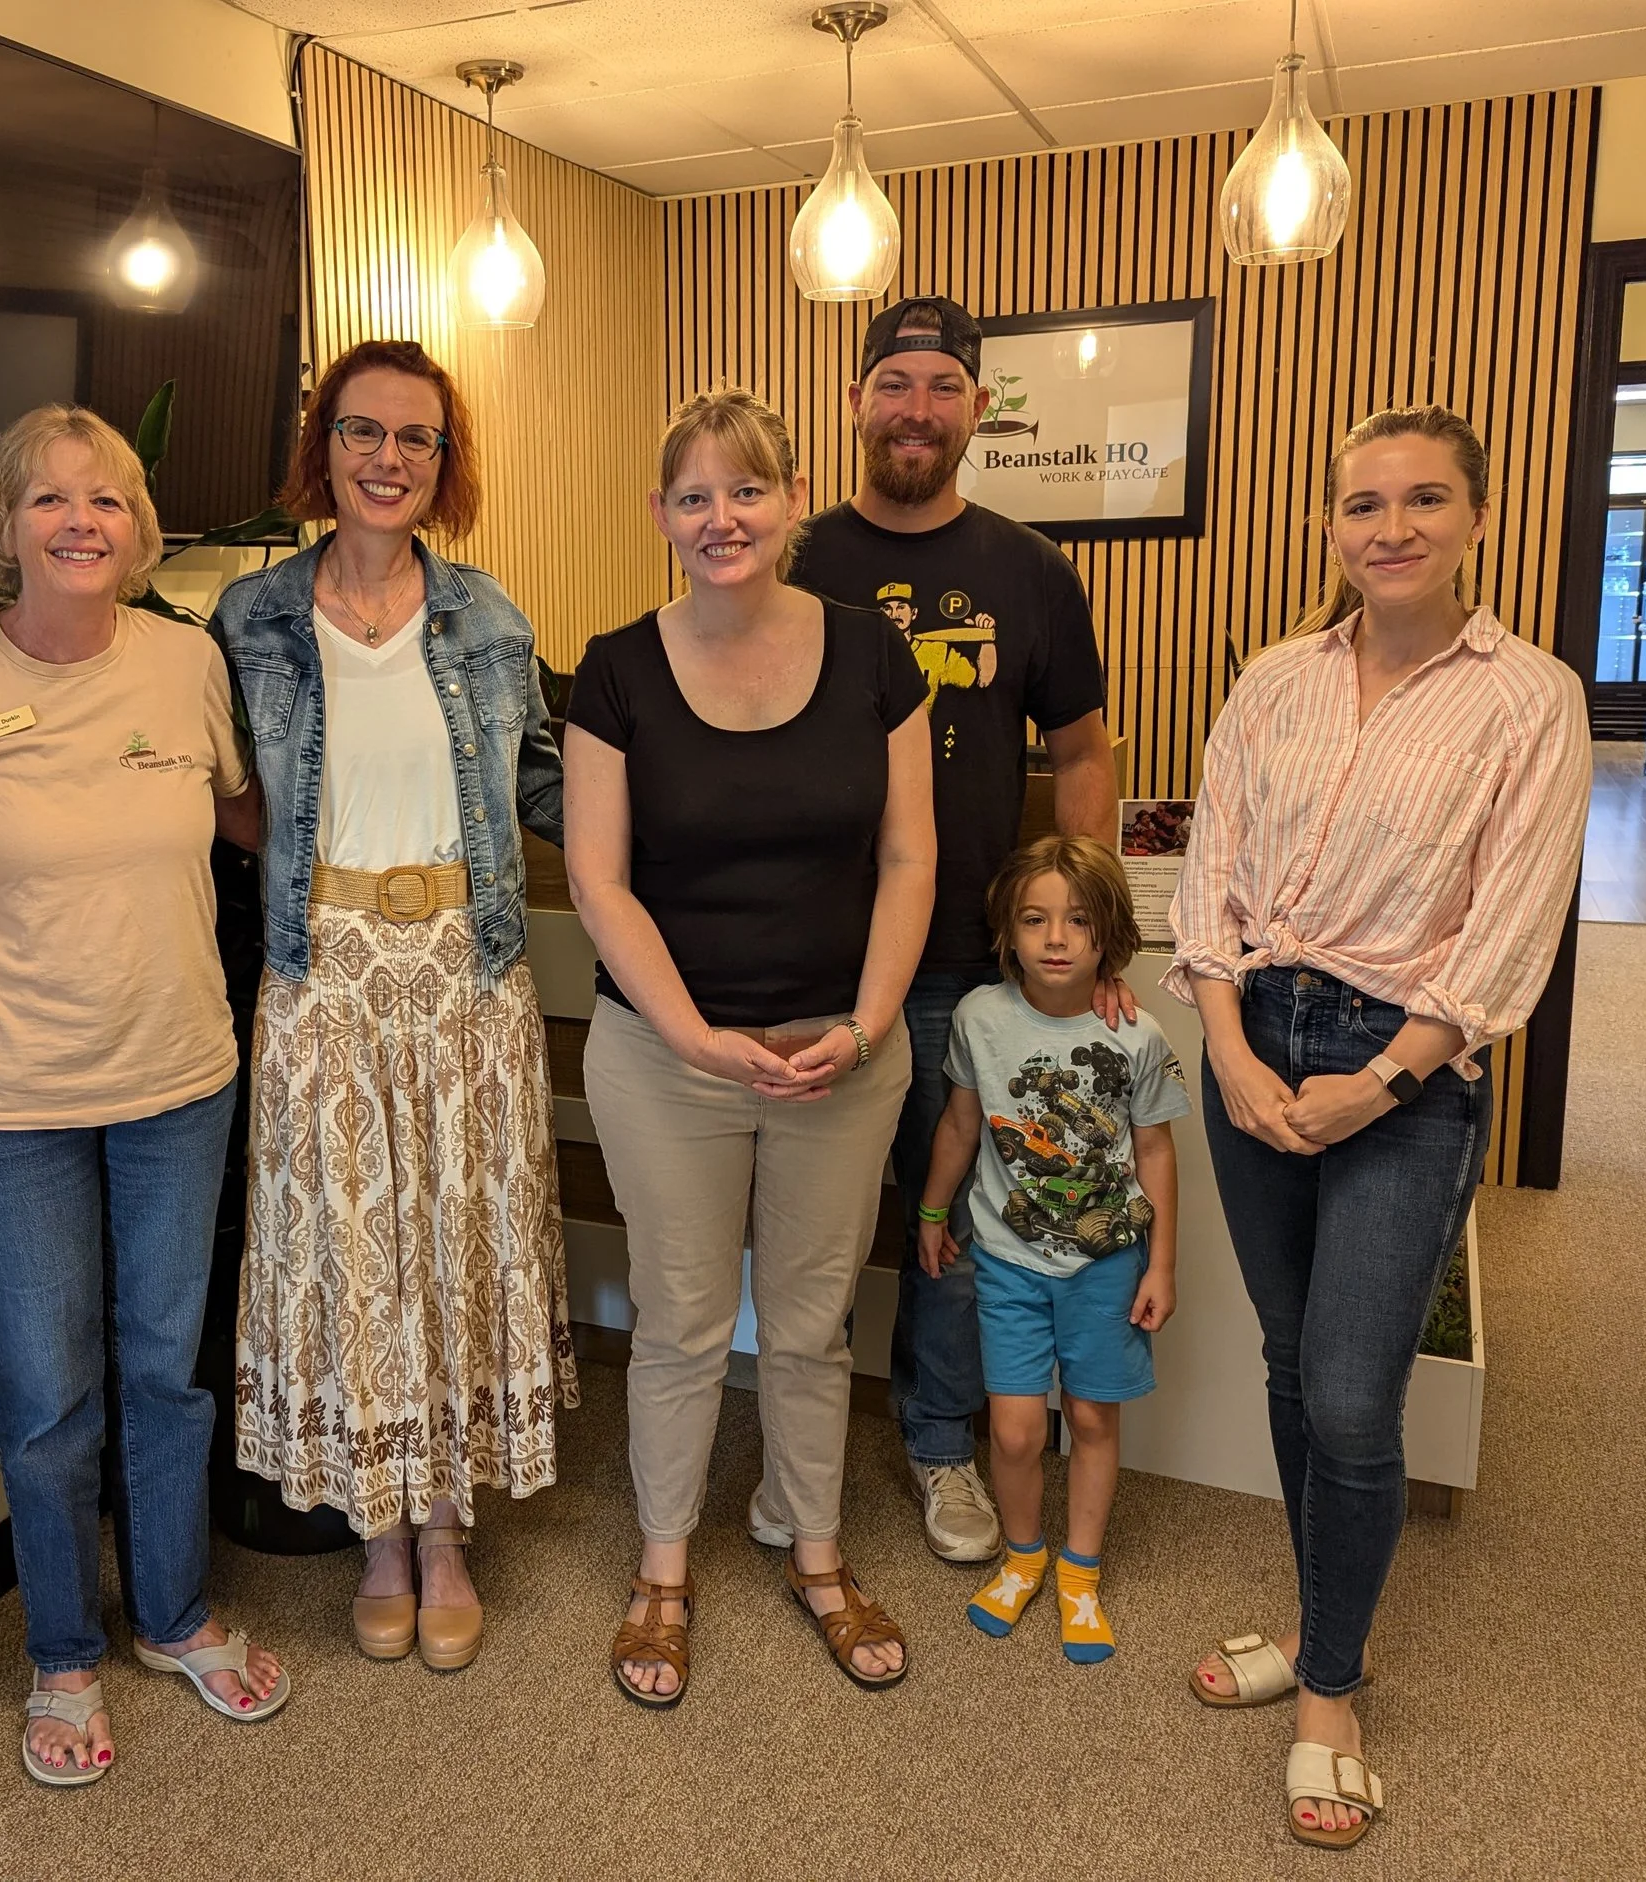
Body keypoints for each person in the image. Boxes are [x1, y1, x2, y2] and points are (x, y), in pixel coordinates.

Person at [1167, 406, 1589, 1850]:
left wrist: (1381, 1082)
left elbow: (1511, 930)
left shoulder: (1530, 697)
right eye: (1363, 504)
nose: (1390, 528)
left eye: (1423, 500)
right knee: (1291, 1359)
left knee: (1352, 1395)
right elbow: (1212, 870)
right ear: (1330, 524)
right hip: (1254, 1040)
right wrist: (1227, 1047)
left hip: (1406, 1063)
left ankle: (1330, 1690)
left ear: (1477, 517)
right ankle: (1319, 1622)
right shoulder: (1275, 679)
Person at [0, 405, 286, 1788]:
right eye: (48, 499)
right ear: (4, 525)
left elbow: (245, 813)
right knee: (48, 1395)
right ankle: (62, 1651)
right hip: (2, 1096)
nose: (80, 521)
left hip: (177, 1075)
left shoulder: (183, 660)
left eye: (105, 499)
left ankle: (174, 1614)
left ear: (137, 527)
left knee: (164, 1369)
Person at [565, 387, 936, 1706]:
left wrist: (869, 1023)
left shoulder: (874, 653)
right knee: (678, 1319)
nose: (720, 516)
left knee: (811, 1319)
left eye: (746, 489)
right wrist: (698, 1037)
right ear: (660, 515)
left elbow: (909, 855)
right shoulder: (614, 667)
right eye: (693, 495)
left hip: (844, 1051)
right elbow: (599, 880)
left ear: (791, 503)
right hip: (668, 1058)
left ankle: (815, 1551)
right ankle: (662, 1569)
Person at [219, 338, 576, 1673]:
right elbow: (222, 788)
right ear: (324, 447)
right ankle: (378, 1534)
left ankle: (446, 1530)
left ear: (443, 460)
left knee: (456, 1245)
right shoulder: (250, 619)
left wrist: (687, 807)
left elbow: (542, 782)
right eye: (362, 431)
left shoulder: (487, 616)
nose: (387, 457)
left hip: (464, 977)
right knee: (357, 1257)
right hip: (324, 975)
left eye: (415, 437)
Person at [789, 294, 1121, 1569]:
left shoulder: (1030, 572)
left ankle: (938, 1443)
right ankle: (804, 1456)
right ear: (857, 402)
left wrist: (1089, 934)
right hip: (816, 966)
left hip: (968, 975)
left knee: (958, 1231)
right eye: (894, 384)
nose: (916, 409)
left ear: (978, 408)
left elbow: (1080, 753)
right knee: (816, 1232)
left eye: (941, 387)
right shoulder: (792, 557)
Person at [916, 835, 1185, 1665]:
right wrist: (932, 1210)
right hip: (1008, 1263)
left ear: (1110, 935)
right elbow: (961, 1123)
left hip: (1108, 1267)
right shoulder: (978, 1018)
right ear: (1008, 931)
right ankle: (1024, 1556)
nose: (1057, 939)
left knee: (1094, 1418)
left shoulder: (1137, 1035)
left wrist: (1162, 1264)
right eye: (1035, 920)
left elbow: (1156, 1152)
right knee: (1015, 1430)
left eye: (1078, 921)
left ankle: (1080, 1571)